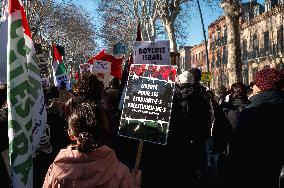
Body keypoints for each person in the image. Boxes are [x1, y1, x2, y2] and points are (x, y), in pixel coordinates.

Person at [43, 102, 141, 188]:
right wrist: (135, 183)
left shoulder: (56, 170)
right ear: (104, 131)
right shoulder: (120, 173)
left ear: (71, 135)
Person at [226, 68, 284, 188]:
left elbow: (239, 144)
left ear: (263, 85)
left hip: (256, 168)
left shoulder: (253, 109)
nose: (253, 87)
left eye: (255, 83)